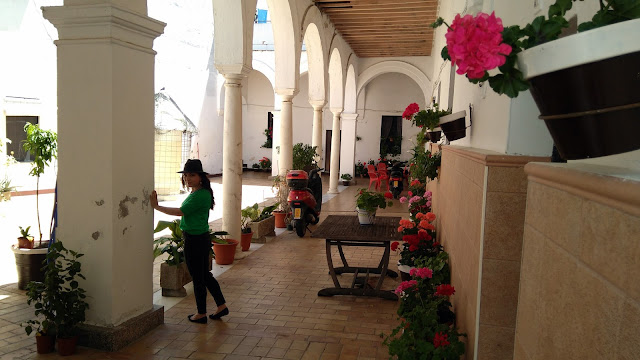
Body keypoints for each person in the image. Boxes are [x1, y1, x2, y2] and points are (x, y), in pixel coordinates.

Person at [150, 159, 229, 323]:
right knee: (204, 276)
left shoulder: (200, 195)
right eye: (186, 176)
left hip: (196, 240)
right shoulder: (199, 192)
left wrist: (156, 207)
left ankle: (201, 313)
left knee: (198, 277)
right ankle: (221, 306)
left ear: (200, 176)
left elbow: (180, 212)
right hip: (198, 238)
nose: (188, 179)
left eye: (192, 175)